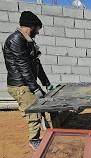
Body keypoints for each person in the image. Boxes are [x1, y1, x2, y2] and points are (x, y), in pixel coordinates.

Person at [2, 11, 54, 150]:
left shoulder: (27, 41)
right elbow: (23, 66)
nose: (37, 32)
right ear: (30, 27)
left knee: (45, 106)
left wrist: (46, 83)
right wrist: (35, 88)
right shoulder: (15, 40)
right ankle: (34, 140)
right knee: (33, 112)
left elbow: (37, 63)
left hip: (28, 82)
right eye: (36, 29)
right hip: (20, 85)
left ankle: (50, 133)